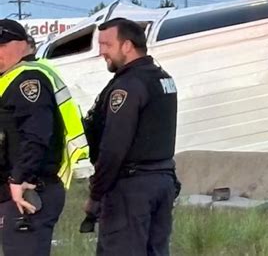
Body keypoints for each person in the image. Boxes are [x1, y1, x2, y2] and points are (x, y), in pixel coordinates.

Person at [82, 17, 180, 256]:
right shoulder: (161, 77)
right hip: (161, 180)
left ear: (127, 46)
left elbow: (114, 147)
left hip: (131, 189)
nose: (101, 52)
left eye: (106, 45)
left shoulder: (128, 86)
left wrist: (96, 195)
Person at [0, 19, 88, 256]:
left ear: (23, 45)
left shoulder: (28, 80)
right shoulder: (10, 79)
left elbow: (36, 134)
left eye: (2, 45)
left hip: (29, 189)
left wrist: (18, 178)